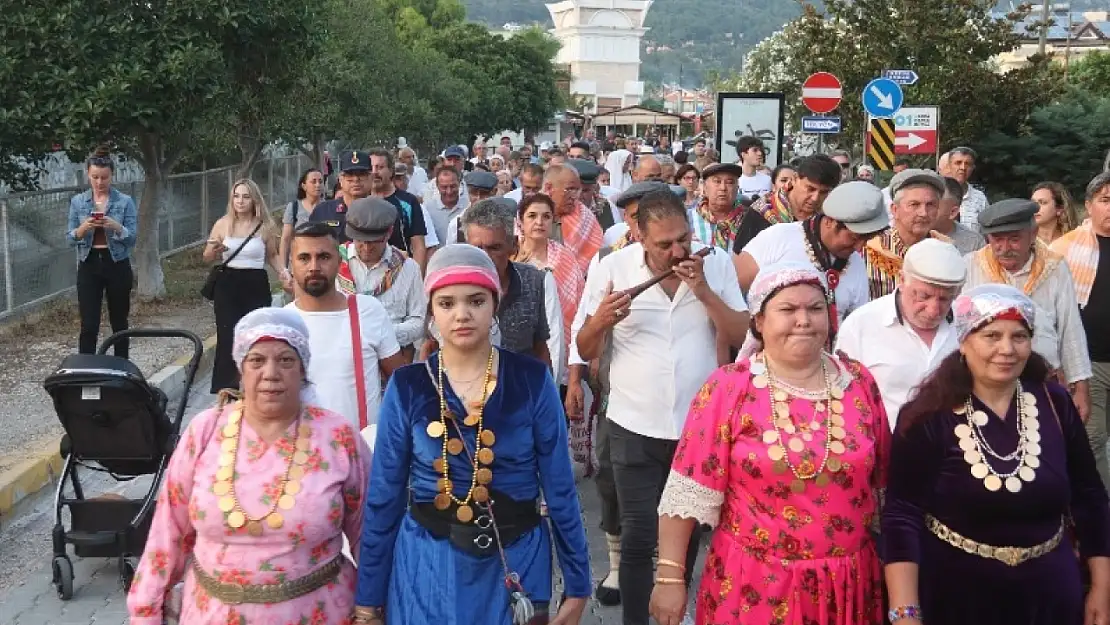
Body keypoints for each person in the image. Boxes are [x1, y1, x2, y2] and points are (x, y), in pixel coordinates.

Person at [353, 244, 591, 625]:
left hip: (516, 562)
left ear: (494, 304)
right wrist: (368, 599)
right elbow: (384, 497)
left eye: (476, 301)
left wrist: (578, 587)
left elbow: (560, 489)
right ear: (431, 310)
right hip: (426, 566)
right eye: (447, 303)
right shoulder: (408, 385)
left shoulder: (531, 381)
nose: (462, 314)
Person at [651, 262, 889, 625]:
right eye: (788, 310)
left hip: (846, 585)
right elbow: (688, 488)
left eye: (815, 308)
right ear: (759, 322)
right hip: (754, 586)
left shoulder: (858, 382)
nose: (804, 320)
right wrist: (669, 576)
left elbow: (883, 483)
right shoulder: (729, 388)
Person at [882, 284, 1110, 625]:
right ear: (963, 341)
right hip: (957, 597)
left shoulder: (1055, 403)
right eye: (991, 335)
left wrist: (1102, 589)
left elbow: (1090, 496)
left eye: (1019, 337)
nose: (1007, 349)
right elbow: (902, 515)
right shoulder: (928, 415)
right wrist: (905, 613)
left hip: (1051, 596)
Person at [127, 307, 371, 625]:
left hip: (320, 613)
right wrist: (146, 612)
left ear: (303, 369)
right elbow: (168, 531)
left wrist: (375, 609)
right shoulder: (204, 431)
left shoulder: (338, 437)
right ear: (241, 369)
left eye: (285, 360)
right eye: (257, 361)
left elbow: (369, 533)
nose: (271, 373)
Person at [576, 190, 749, 625]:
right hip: (633, 421)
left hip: (698, 426)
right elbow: (583, 345)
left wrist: (703, 289)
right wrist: (601, 321)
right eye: (664, 245)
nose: (676, 252)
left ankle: (674, 614)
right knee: (637, 536)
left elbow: (741, 333)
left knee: (686, 535)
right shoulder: (613, 267)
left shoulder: (718, 264)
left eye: (682, 240)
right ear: (639, 237)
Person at [965, 198, 1092, 421]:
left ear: (1033, 235)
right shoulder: (971, 265)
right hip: (985, 385)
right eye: (997, 240)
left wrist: (1080, 386)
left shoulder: (1055, 267)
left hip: (1041, 381)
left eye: (1014, 239)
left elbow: (1070, 327)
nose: (1004, 249)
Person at [286, 221, 407, 437]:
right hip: (303, 455)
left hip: (362, 453)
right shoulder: (282, 323)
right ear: (291, 265)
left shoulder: (368, 311)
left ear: (340, 262)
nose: (314, 266)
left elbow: (400, 382)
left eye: (324, 257)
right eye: (304, 258)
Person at [736, 181, 890, 347]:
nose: (859, 247)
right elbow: (733, 294)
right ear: (830, 221)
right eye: (854, 238)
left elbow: (857, 327)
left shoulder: (856, 264)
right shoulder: (778, 239)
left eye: (866, 239)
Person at [836, 239, 966, 430]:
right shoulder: (861, 325)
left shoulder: (967, 325)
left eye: (945, 299)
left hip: (956, 448)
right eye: (923, 296)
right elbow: (844, 397)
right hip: (885, 446)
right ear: (902, 280)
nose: (933, 310)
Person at [1052, 172, 1110, 493]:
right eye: (1105, 200)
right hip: (1089, 362)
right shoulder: (1064, 249)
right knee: (1094, 438)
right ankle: (1101, 511)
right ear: (1089, 206)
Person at [203, 179, 285, 394]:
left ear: (254, 199)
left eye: (245, 196)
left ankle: (255, 385)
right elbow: (207, 256)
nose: (240, 201)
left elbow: (273, 255)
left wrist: (285, 274)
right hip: (228, 285)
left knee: (256, 335)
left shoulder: (264, 226)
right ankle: (226, 390)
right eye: (236, 196)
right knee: (228, 336)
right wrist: (215, 251)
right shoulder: (223, 224)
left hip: (256, 284)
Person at [67, 145, 138, 358]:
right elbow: (69, 238)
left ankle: (121, 366)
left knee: (119, 322)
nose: (100, 183)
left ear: (111, 176)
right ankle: (86, 368)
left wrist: (115, 226)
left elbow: (132, 238)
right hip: (89, 264)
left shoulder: (124, 201)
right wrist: (82, 229)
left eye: (104, 178)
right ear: (88, 175)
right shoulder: (78, 202)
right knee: (89, 324)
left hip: (116, 263)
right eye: (95, 177)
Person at [337, 198, 427, 362]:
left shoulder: (408, 268)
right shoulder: (334, 263)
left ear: (389, 232)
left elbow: (419, 321)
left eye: (374, 242)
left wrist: (382, 335)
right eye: (360, 240)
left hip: (393, 359)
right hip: (342, 356)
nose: (366, 247)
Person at [512, 193, 586, 390]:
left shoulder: (565, 259)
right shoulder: (510, 256)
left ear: (553, 221)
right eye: (532, 216)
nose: (539, 222)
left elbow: (579, 308)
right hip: (517, 348)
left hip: (560, 345)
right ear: (520, 221)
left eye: (546, 216)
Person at [310, 150, 372, 242]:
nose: (355, 179)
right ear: (341, 180)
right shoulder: (322, 211)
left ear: (371, 178)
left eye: (362, 174)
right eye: (350, 174)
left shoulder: (382, 212)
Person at [280, 168, 325, 267]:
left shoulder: (329, 207)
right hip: (299, 263)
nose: (318, 185)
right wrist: (284, 268)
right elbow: (286, 239)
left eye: (320, 181)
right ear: (304, 186)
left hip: (322, 263)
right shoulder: (294, 207)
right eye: (313, 182)